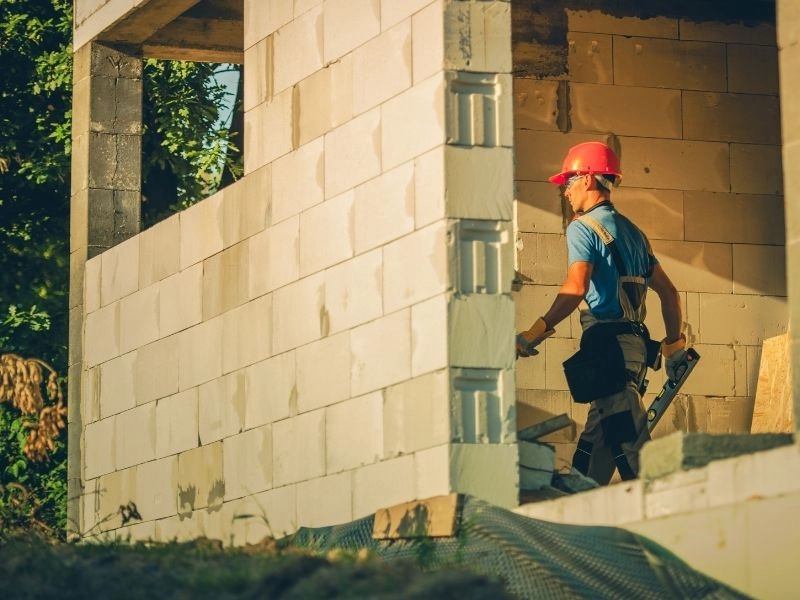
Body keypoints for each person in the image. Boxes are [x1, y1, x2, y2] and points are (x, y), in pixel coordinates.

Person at [516, 141, 687, 484]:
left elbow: (575, 288)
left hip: (607, 351)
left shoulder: (582, 228)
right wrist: (674, 348)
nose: (565, 192)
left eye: (569, 182)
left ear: (588, 179)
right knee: (597, 442)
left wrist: (532, 334)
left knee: (631, 444)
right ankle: (576, 507)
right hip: (634, 353)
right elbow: (669, 292)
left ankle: (667, 511)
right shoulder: (635, 234)